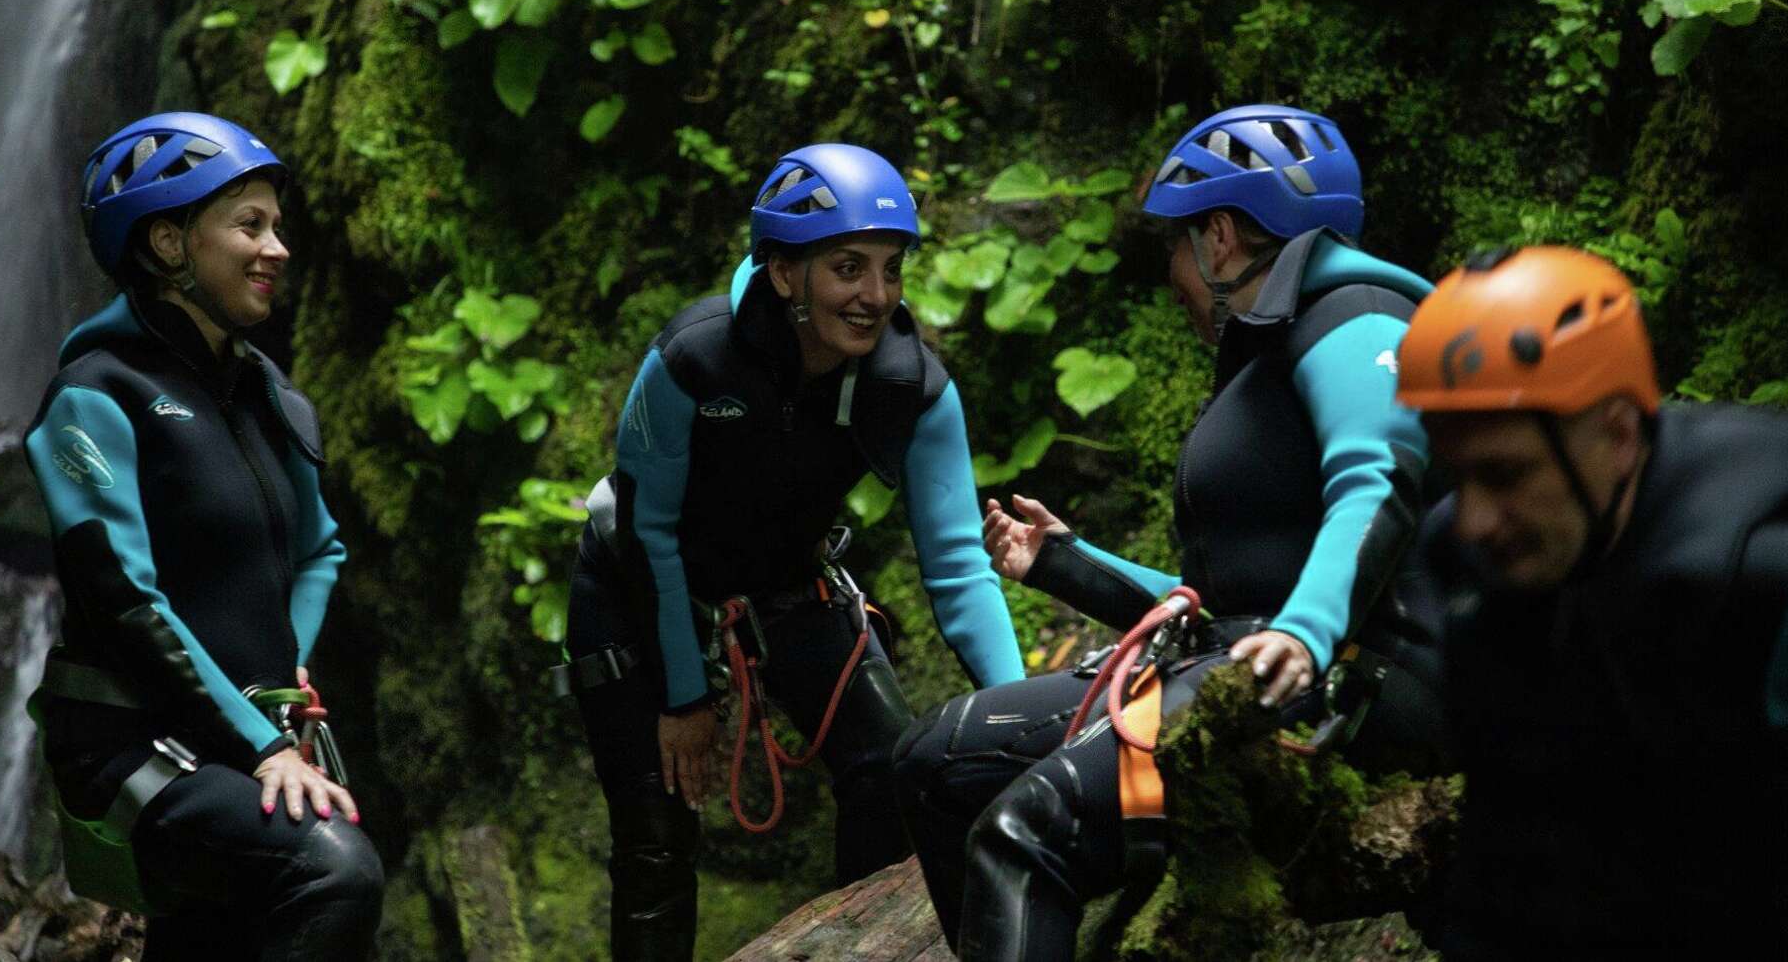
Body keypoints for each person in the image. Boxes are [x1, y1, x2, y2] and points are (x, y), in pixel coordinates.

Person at [893, 104, 1446, 960]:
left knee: (1026, 831)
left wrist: (1307, 628)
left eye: (1175, 248)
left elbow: (1377, 485)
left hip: (1356, 677)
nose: (1175, 277)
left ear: (1219, 236)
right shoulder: (1273, 352)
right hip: (1255, 659)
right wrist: (1066, 564)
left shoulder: (1360, 314)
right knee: (938, 760)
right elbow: (1219, 608)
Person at [558, 143, 1025, 960]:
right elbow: (649, 530)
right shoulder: (693, 358)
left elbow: (957, 567)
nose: (874, 295)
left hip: (785, 585)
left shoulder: (911, 386)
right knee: (657, 835)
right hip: (636, 584)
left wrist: (1023, 714)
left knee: (889, 771)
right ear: (783, 273)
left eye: (890, 268)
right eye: (848, 267)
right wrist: (682, 694)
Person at [1394, 245, 1788, 959]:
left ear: (1619, 433)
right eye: (1458, 476)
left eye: (1504, 474)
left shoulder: (1766, 588)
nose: (1473, 518)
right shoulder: (1471, 580)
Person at [23, 112, 383, 960]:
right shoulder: (96, 394)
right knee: (335, 869)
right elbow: (124, 599)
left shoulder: (270, 397)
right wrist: (261, 745)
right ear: (168, 243)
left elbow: (321, 548)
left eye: (277, 226)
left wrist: (283, 670)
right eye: (249, 225)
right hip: (131, 745)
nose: (277, 248)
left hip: (235, 742)